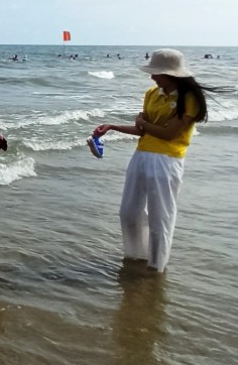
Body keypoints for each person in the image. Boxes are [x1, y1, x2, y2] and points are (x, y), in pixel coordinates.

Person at [93, 49, 220, 272]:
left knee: (161, 216)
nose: (152, 77)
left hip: (167, 160)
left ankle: (156, 266)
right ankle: (135, 256)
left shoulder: (189, 99)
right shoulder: (152, 93)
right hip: (141, 156)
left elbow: (169, 133)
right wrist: (112, 126)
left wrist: (142, 122)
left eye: (157, 73)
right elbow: (143, 131)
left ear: (171, 74)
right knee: (128, 212)